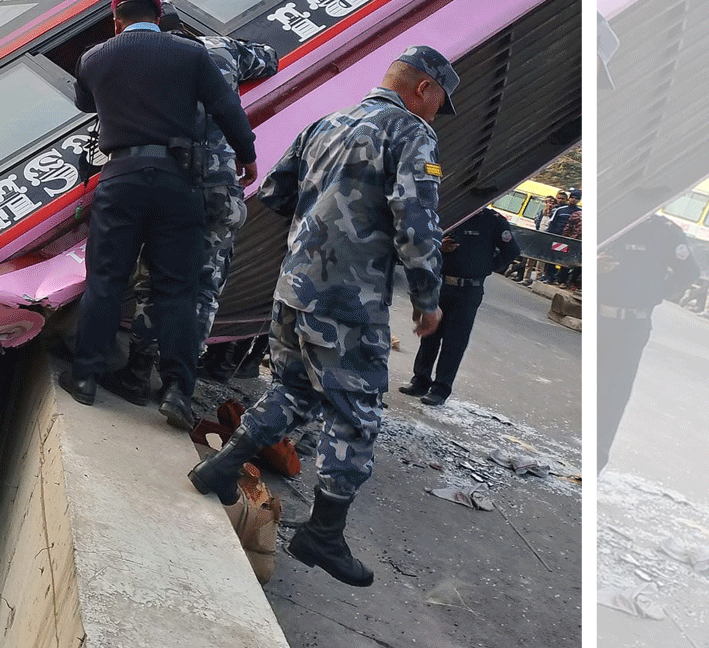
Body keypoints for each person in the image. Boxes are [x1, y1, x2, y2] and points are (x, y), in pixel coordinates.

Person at [188, 44, 457, 589]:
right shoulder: (409, 133)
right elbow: (417, 219)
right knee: (356, 412)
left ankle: (218, 468)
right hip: (348, 302)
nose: (435, 115)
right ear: (423, 88)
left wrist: (320, 228)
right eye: (438, 103)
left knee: (294, 392)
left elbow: (274, 191)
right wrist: (428, 298)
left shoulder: (326, 122)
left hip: (294, 287)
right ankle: (324, 533)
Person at [59, 0, 259, 432]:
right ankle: (176, 391)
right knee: (178, 290)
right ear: (159, 15)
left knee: (107, 280)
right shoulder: (190, 55)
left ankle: (86, 378)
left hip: (121, 178)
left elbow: (85, 102)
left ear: (116, 20)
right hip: (178, 181)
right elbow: (227, 107)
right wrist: (246, 156)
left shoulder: (95, 58)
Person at [107, 30, 281, 402]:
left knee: (155, 280)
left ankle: (137, 375)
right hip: (221, 190)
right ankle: (177, 389)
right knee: (203, 290)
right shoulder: (224, 47)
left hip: (169, 186)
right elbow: (270, 57)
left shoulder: (142, 59)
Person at [597, 214, 701, 470]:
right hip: (597, 318)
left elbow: (690, 271)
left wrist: (654, 291)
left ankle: (595, 465)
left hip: (631, 325)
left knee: (613, 396)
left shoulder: (664, 231)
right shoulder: (607, 218)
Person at [399, 206, 521, 405]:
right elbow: (425, 242)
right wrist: (440, 247)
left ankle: (440, 389)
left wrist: (486, 266)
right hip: (442, 284)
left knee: (454, 341)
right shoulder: (454, 211)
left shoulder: (493, 220)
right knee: (430, 334)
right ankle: (420, 380)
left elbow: (512, 251)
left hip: (468, 290)